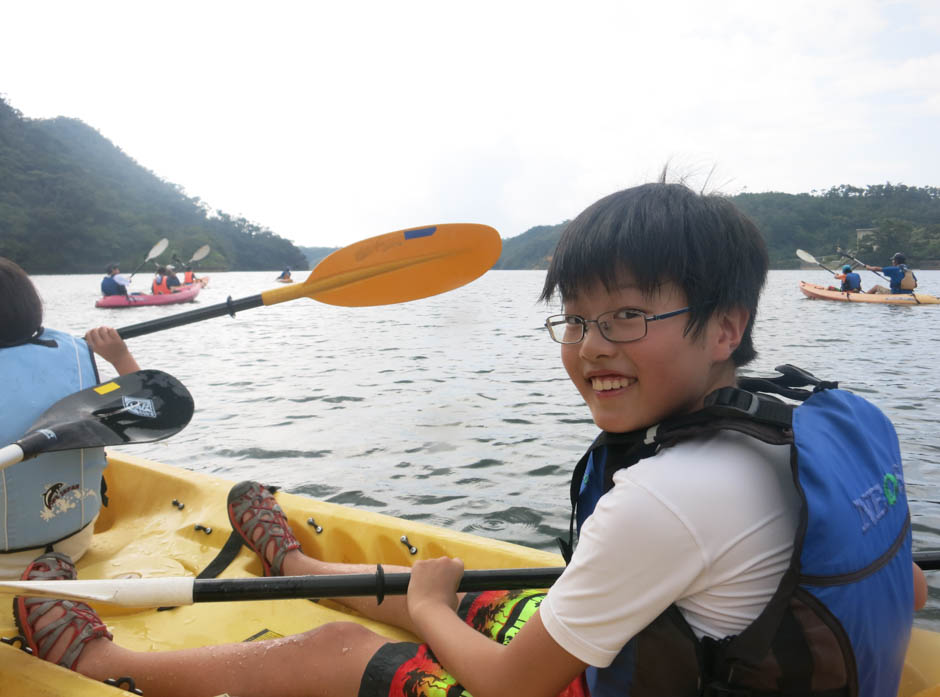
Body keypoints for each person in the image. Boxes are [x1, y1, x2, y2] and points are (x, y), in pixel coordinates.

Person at [11, 183, 928, 697]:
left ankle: (105, 661)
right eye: (576, 319)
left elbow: (513, 688)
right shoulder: (834, 418)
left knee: (333, 652)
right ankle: (292, 560)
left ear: (725, 326)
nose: (591, 348)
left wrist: (438, 605)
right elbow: (911, 580)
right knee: (502, 605)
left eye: (629, 316)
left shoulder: (665, 498)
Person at [0, 257, 141, 579]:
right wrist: (121, 357)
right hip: (74, 542)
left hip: (5, 562)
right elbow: (147, 408)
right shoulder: (73, 356)